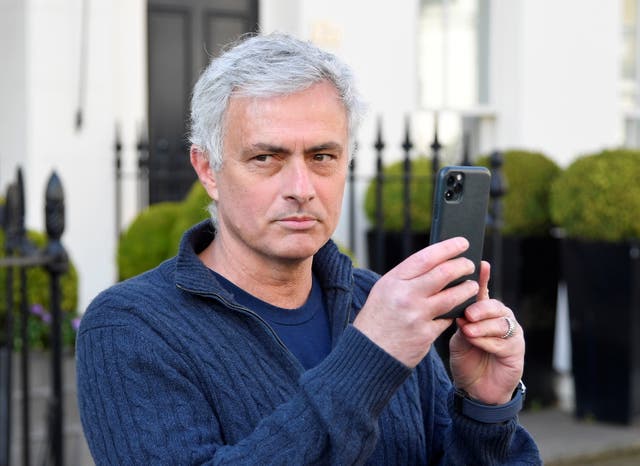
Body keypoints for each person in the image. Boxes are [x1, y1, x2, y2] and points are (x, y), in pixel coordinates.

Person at [76, 33, 541, 465]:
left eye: (322, 157)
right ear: (208, 169)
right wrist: (372, 354)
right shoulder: (129, 328)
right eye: (265, 158)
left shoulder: (376, 301)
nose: (301, 188)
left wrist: (485, 409)